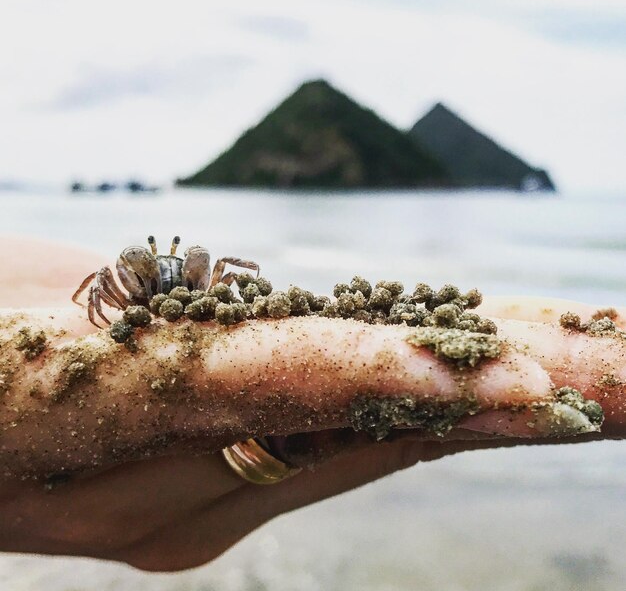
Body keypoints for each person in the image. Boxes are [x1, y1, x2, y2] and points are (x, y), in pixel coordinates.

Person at [0, 237, 623, 571]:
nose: (168, 268)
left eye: (178, 261)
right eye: (153, 263)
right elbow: (94, 291)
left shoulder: (202, 272)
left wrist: (246, 298)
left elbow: (234, 273)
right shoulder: (123, 276)